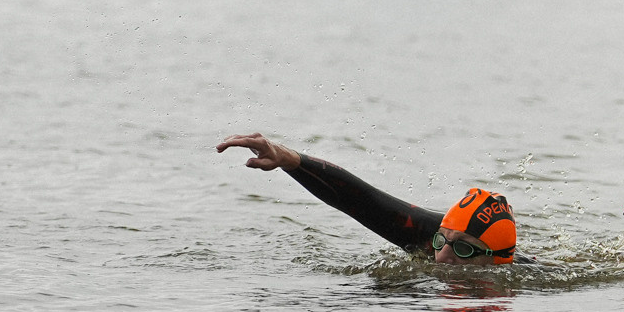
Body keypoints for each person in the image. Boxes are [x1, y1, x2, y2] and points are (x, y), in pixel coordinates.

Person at [216, 133, 517, 263]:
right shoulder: (431, 238)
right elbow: (361, 201)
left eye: (464, 249)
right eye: (441, 242)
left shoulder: (523, 281)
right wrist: (288, 158)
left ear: (497, 260)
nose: (442, 256)